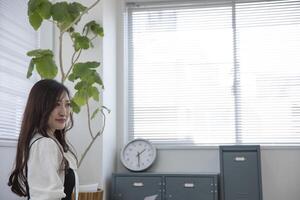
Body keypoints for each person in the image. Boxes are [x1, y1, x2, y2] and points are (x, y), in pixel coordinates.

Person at [8, 79, 78, 200]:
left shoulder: (44, 139)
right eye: (56, 104)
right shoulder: (44, 144)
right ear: (40, 106)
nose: (64, 112)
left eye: (67, 104)